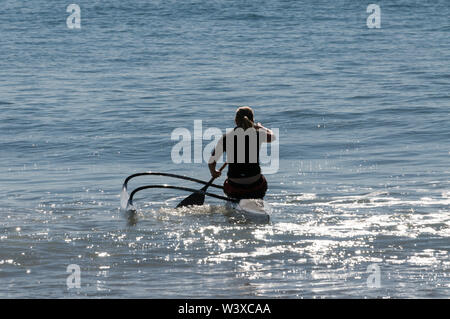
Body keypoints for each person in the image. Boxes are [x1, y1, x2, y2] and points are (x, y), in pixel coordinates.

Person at [208, 106, 275, 199]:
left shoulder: (226, 137)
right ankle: (257, 203)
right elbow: (272, 136)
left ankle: (235, 204)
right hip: (256, 186)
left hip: (235, 188)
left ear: (236, 120)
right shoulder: (257, 134)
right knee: (261, 181)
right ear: (252, 120)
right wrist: (261, 127)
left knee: (228, 184)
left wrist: (214, 172)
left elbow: (211, 161)